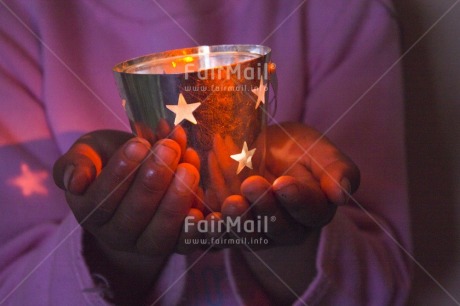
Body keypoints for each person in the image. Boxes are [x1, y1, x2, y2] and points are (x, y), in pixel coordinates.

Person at [0, 0, 411, 305]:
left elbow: (382, 281)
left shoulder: (342, 12)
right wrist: (115, 247)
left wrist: (291, 226)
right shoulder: (13, 24)